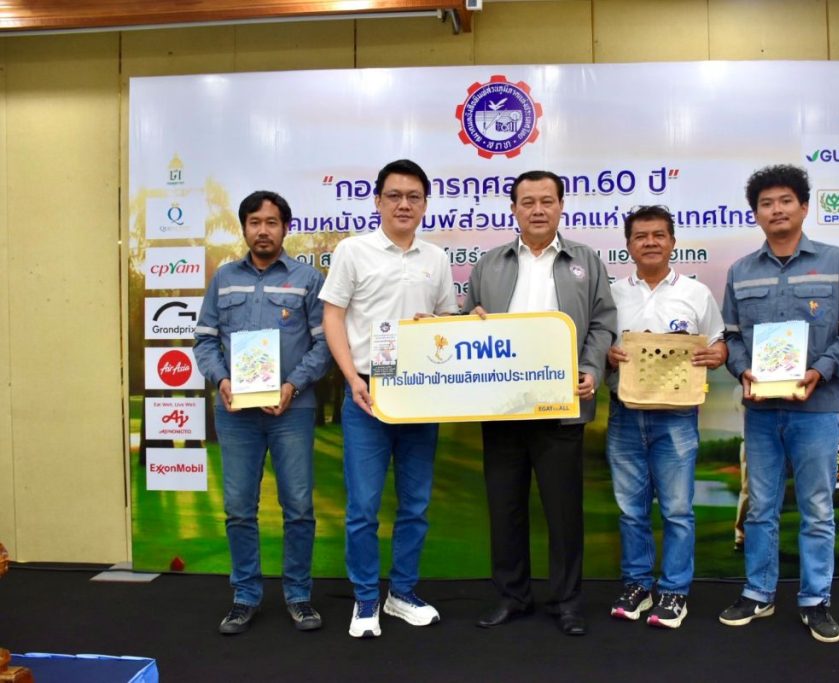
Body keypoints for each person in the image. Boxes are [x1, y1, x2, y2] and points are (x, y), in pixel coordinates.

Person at [718, 164, 839, 643]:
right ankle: (758, 593)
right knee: (760, 506)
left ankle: (815, 600)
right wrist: (742, 369)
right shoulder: (741, 271)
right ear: (756, 214)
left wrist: (819, 370)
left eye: (785, 201)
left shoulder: (837, 262)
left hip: (816, 410)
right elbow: (731, 338)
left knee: (817, 508)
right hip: (762, 412)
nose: (776, 210)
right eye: (766, 203)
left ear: (804, 207)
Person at [463, 170, 616, 636]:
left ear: (561, 206)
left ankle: (566, 602)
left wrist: (590, 369)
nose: (537, 210)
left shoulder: (585, 261)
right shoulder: (489, 264)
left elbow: (603, 323)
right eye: (527, 202)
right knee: (505, 508)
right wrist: (470, 319)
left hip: (561, 408)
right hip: (503, 408)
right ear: (513, 209)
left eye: (546, 201)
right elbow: (465, 321)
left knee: (563, 512)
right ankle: (512, 596)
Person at [319, 159, 457, 639]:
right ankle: (365, 599)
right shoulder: (353, 251)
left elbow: (446, 322)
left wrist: (449, 325)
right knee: (363, 507)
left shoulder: (436, 258)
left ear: (425, 204)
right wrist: (350, 379)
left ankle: (402, 594)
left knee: (415, 504)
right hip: (367, 393)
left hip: (420, 395)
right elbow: (332, 316)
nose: (404, 204)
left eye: (413, 196)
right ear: (377, 201)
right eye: (394, 195)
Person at [194, 190, 332, 635]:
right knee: (238, 509)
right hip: (236, 414)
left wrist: (293, 386)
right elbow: (204, 340)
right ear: (244, 228)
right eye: (254, 222)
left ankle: (299, 596)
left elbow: (324, 344)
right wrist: (221, 380)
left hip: (292, 410)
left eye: (272, 222)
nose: (263, 231)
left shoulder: (307, 279)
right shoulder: (224, 279)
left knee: (298, 508)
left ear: (285, 228)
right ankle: (244, 597)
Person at [604, 205, 727, 629]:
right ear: (628, 246)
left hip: (677, 417)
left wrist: (718, 353)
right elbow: (597, 344)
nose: (650, 242)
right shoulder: (613, 294)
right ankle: (637, 585)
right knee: (630, 510)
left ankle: (674, 591)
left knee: (676, 510)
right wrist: (607, 355)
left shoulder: (696, 293)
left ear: (673, 242)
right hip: (624, 413)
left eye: (659, 235)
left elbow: (718, 341)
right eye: (641, 236)